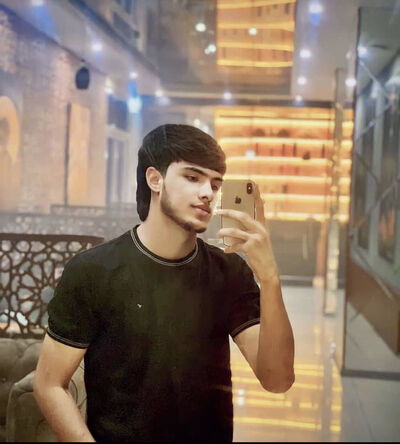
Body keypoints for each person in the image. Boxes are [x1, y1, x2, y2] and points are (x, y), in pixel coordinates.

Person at [33, 124, 295, 442]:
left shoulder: (228, 272)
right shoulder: (93, 271)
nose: (208, 193)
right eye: (193, 177)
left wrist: (269, 278)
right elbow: (49, 384)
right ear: (155, 179)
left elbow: (277, 380)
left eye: (215, 184)